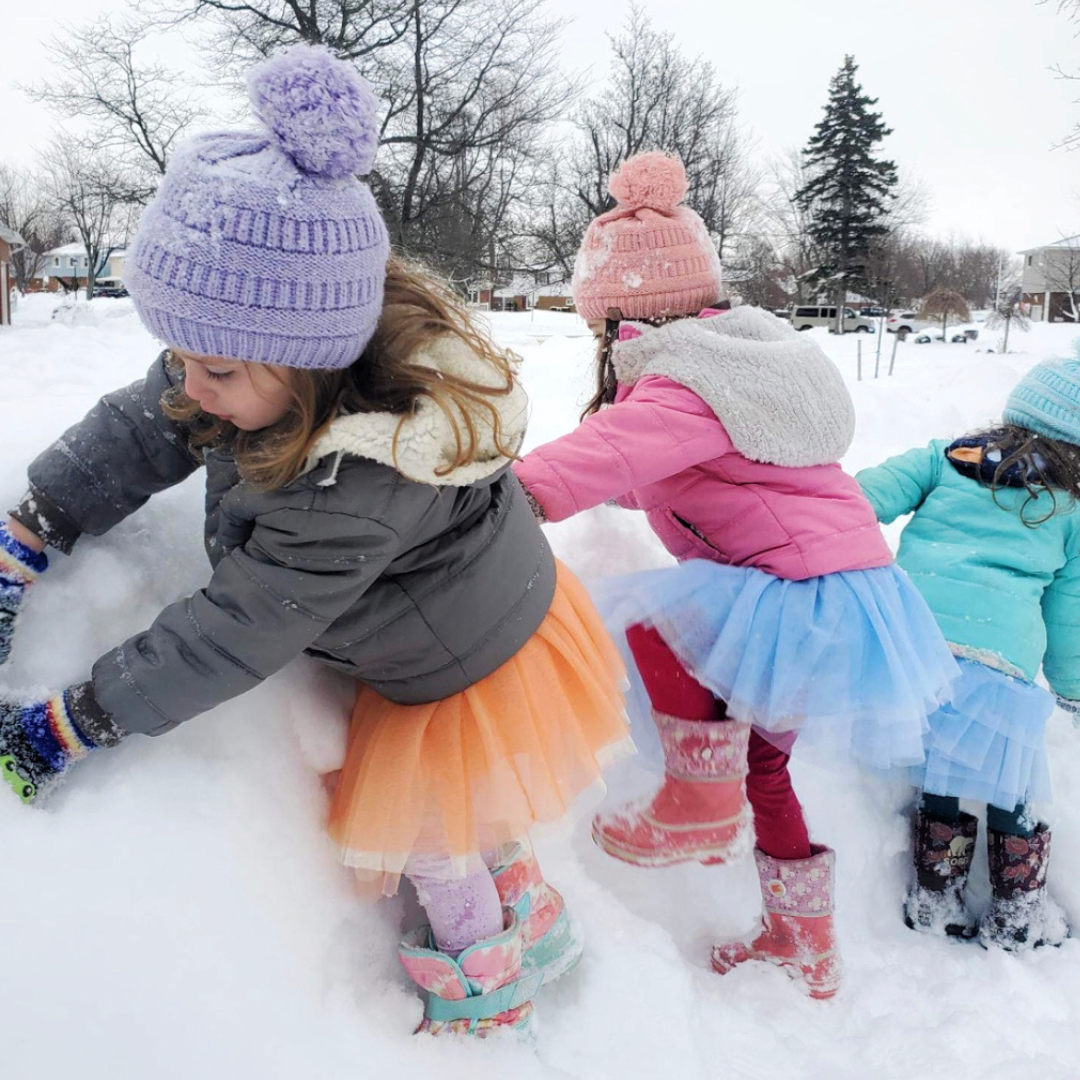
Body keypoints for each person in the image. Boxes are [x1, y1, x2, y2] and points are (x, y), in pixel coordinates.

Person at [0, 45, 629, 1037]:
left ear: (307, 359)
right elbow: (143, 425)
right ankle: (519, 894)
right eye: (180, 356)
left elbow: (238, 627)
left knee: (430, 835)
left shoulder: (359, 482)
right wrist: (29, 527)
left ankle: (487, 993)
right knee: (451, 808)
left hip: (459, 656)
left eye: (213, 371)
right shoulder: (249, 361)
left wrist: (72, 722)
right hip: (441, 604)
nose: (189, 388)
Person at [513, 151, 958, 999]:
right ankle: (803, 939)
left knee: (653, 621)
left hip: (794, 594)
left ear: (622, 315)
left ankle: (696, 798)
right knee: (766, 768)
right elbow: (658, 468)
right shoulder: (743, 365)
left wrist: (511, 492)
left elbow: (614, 450)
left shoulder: (685, 383)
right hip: (844, 594)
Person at [856, 363, 1080, 951]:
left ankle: (936, 898)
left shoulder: (946, 457)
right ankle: (1017, 916)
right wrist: (1071, 688)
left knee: (942, 777)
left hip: (913, 647)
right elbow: (1069, 614)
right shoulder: (1071, 509)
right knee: (1013, 789)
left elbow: (861, 497)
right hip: (998, 659)